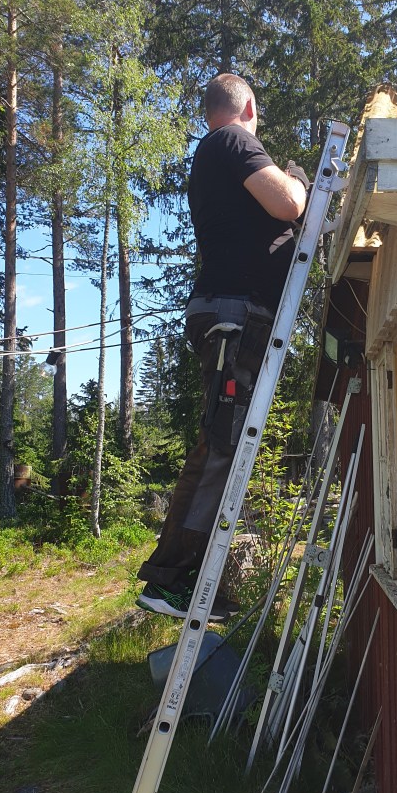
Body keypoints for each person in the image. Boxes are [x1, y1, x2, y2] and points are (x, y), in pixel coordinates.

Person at [136, 73, 309, 620]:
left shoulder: (216, 151)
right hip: (234, 315)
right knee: (221, 446)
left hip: (230, 312)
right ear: (248, 106)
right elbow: (287, 204)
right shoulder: (232, 139)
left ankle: (182, 575)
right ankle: (170, 580)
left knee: (220, 444)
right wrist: (298, 182)